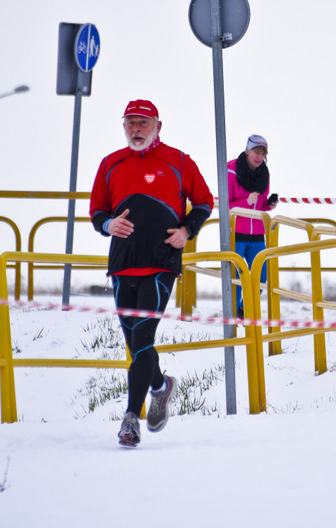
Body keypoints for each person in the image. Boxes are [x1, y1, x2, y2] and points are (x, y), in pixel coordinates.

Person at [89, 99, 214, 447]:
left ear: (158, 125)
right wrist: (107, 224)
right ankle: (160, 386)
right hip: (122, 263)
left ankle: (131, 419)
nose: (136, 129)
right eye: (130, 123)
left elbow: (204, 201)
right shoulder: (111, 163)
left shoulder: (178, 161)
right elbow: (97, 209)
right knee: (134, 344)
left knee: (143, 339)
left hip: (161, 263)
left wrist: (186, 231)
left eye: (143, 123)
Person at [228, 134, 278, 317]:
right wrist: (245, 202)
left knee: (261, 278)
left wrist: (269, 205)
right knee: (236, 279)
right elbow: (225, 206)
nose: (259, 156)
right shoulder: (231, 170)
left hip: (257, 234)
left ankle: (244, 310)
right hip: (236, 234)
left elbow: (261, 205)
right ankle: (232, 318)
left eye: (263, 153)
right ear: (247, 150)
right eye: (256, 151)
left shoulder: (264, 173)